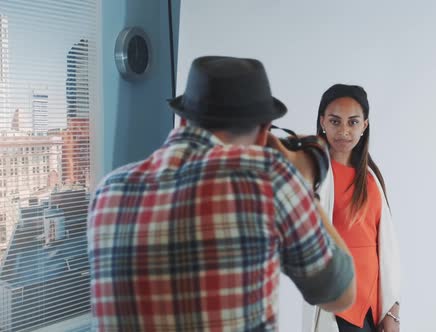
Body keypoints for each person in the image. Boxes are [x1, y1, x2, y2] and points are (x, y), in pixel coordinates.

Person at [87, 56, 356, 331]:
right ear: (264, 132)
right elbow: (339, 294)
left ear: (182, 120)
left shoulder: (108, 191)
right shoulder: (268, 179)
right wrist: (302, 184)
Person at [308, 84, 401, 332]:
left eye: (353, 122)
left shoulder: (372, 179)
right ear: (322, 122)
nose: (344, 131)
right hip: (336, 306)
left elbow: (386, 250)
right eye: (335, 121)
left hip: (371, 308)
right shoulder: (313, 176)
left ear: (365, 125)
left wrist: (392, 310)